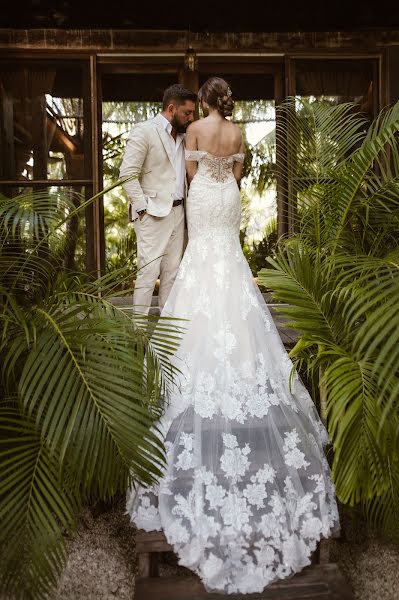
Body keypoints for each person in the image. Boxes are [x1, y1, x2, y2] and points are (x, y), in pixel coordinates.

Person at [126, 77, 339, 594]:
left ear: (201, 102)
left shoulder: (194, 129)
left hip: (205, 204)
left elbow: (194, 171)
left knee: (197, 271)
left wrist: (204, 176)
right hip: (228, 206)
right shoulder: (239, 131)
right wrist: (221, 179)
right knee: (231, 274)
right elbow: (236, 175)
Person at [119, 84, 197, 314]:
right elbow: (127, 173)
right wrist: (142, 209)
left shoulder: (185, 136)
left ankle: (166, 337)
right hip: (152, 215)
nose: (191, 118)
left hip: (179, 213)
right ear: (171, 109)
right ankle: (139, 335)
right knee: (147, 274)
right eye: (187, 113)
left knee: (172, 274)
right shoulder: (144, 131)